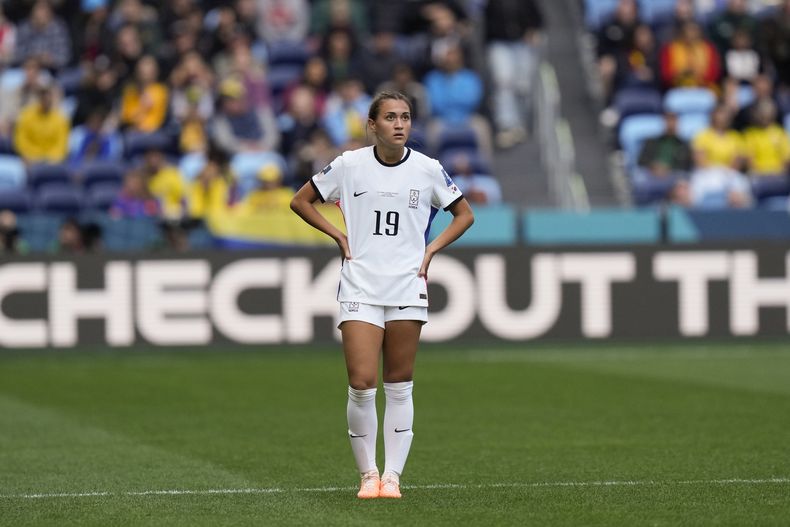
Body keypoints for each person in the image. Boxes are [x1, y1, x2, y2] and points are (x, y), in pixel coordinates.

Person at [290, 91, 474, 499]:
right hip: (360, 283)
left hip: (407, 284)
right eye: (390, 117)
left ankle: (392, 477)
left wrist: (431, 249)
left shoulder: (428, 169)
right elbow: (301, 201)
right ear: (371, 125)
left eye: (405, 117)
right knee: (361, 382)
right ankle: (367, 474)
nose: (399, 124)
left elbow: (464, 213)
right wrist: (338, 234)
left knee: (400, 383)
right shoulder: (349, 165)